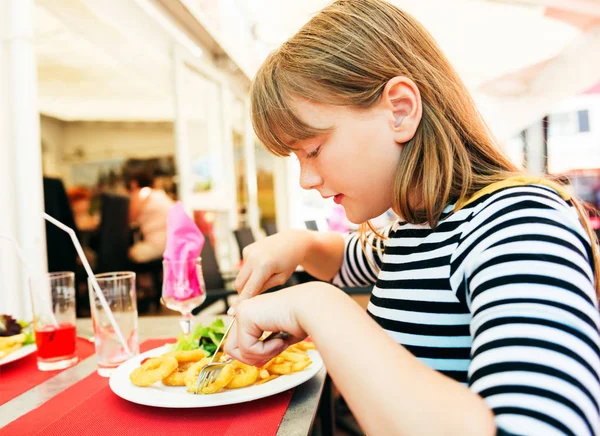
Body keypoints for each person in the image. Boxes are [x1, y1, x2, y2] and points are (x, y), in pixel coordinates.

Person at [223, 1, 600, 435]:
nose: (306, 178)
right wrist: (298, 244)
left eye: (312, 149)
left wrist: (317, 306)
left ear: (400, 111)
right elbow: (348, 257)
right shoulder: (417, 226)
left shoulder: (518, 222)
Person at [126, 169, 173, 263]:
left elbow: (129, 218)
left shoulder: (141, 193)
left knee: (129, 254)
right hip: (172, 243)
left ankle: (143, 277)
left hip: (159, 244)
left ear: (134, 183)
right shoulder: (159, 194)